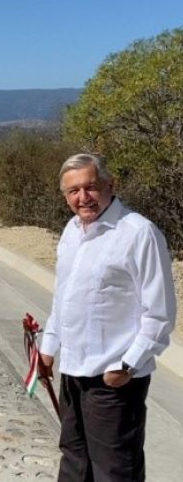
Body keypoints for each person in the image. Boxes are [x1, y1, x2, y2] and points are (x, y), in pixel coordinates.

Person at [39, 153, 177, 481]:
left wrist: (127, 365)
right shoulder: (72, 231)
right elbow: (65, 298)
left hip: (113, 377)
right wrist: (48, 347)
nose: (83, 197)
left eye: (91, 187)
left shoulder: (138, 233)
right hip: (73, 371)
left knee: (114, 469)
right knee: (74, 461)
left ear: (110, 185)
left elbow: (160, 313)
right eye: (73, 191)